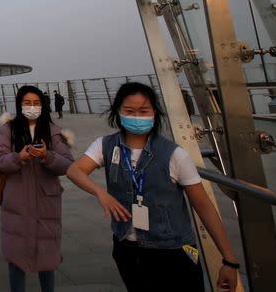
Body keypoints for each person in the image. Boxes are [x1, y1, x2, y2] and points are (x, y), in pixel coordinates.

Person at [66, 82, 239, 292]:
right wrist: (100, 192)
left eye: (143, 111)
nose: (137, 116)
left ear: (154, 113)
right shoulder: (105, 146)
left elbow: (203, 206)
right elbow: (75, 170)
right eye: (129, 111)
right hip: (127, 248)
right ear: (118, 112)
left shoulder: (175, 154)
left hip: (172, 250)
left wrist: (229, 260)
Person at [0, 85, 74, 292]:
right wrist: (18, 157)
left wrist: (48, 156)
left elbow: (67, 164)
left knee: (47, 255)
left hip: (47, 201)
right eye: (27, 103)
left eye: (36, 103)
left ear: (43, 105)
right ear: (19, 104)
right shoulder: (8, 130)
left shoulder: (53, 131)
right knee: (16, 256)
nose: (32, 107)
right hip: (16, 201)